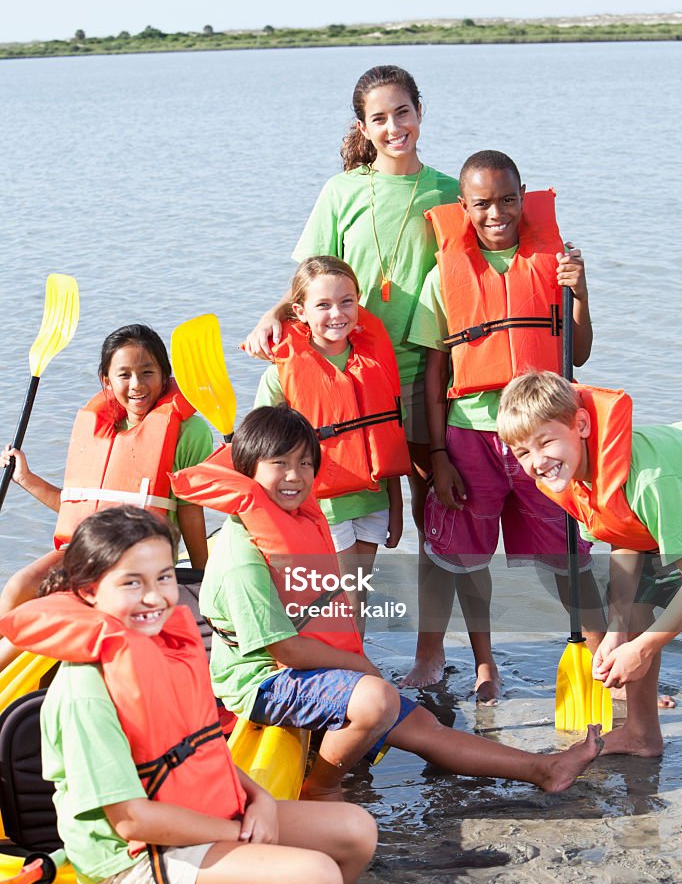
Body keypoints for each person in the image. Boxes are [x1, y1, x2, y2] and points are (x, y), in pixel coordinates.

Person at [172, 405, 604, 803]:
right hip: (259, 684)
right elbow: (283, 650)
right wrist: (362, 669)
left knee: (422, 726)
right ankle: (320, 789)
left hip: (307, 667)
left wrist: (354, 669)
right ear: (246, 471)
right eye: (279, 463)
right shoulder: (240, 556)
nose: (295, 475)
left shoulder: (295, 523)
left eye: (305, 463)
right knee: (378, 699)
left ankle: (543, 769)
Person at [0, 507, 377, 884]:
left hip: (190, 815)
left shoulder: (164, 650)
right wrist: (235, 834)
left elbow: (201, 749)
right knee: (315, 880)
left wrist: (261, 800)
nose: (154, 597)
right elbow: (131, 820)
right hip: (129, 860)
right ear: (88, 592)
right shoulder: (85, 692)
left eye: (163, 577)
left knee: (355, 829)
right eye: (131, 583)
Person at [242, 64, 461, 635]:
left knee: (430, 514)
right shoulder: (341, 191)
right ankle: (332, 635)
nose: (394, 127)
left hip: (426, 375)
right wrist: (273, 314)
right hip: (347, 374)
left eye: (403, 113)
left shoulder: (448, 191)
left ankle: (429, 649)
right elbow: (309, 281)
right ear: (363, 127)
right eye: (379, 118)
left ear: (420, 112)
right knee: (341, 511)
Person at [406, 149, 603, 698]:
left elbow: (579, 354)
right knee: (465, 557)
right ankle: (484, 665)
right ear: (464, 207)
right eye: (483, 203)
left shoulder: (556, 265)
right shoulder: (443, 278)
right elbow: (433, 373)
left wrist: (581, 293)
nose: (498, 213)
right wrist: (439, 455)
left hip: (542, 436)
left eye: (509, 199)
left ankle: (604, 661)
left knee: (568, 552)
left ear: (523, 197)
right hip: (471, 437)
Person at [497, 370, 682, 757]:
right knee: (633, 607)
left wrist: (643, 649)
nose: (538, 462)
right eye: (523, 453)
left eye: (546, 442)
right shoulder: (575, 474)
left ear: (580, 424)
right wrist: (617, 632)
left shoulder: (649, 481)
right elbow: (626, 537)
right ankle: (642, 734)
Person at [0, 323, 212, 621]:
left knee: (89, 610)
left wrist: (204, 579)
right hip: (86, 554)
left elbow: (191, 510)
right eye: (124, 375)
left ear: (166, 377)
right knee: (17, 588)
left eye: (147, 372)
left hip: (142, 563)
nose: (137, 384)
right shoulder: (97, 429)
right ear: (107, 381)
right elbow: (78, 509)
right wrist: (25, 478)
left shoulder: (189, 431)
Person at [253, 256, 411, 632]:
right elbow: (260, 450)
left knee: (357, 594)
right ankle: (346, 667)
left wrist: (397, 505)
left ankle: (352, 662)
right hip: (321, 503)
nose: (336, 313)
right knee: (339, 596)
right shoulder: (281, 373)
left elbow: (389, 432)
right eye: (322, 305)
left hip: (372, 499)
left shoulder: (375, 360)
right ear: (300, 312)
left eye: (346, 302)